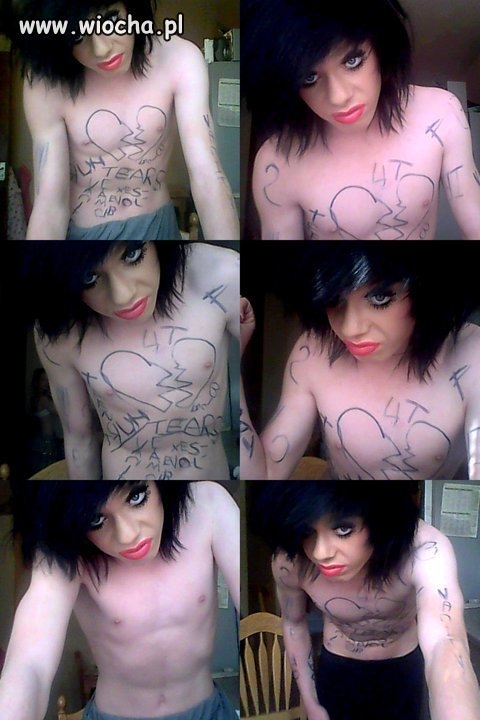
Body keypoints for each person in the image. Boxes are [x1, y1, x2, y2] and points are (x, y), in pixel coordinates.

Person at [0, 479, 240, 719]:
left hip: (209, 712)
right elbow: (30, 662)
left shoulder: (207, 504)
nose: (128, 535)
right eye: (96, 519)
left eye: (136, 497)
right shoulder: (64, 546)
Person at [241, 0, 480, 239]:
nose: (339, 97)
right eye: (309, 78)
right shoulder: (276, 163)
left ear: (380, 47)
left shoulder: (440, 112)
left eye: (352, 61)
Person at [240, 242, 480, 479]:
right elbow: (265, 473)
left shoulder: (471, 352)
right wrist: (233, 351)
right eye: (334, 300)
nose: (350, 328)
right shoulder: (313, 351)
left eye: (379, 298)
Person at [5, 0, 239, 240]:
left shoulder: (180, 58)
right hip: (85, 240)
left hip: (159, 229)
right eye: (77, 35)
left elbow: (207, 176)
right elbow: (50, 205)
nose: (101, 49)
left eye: (111, 20)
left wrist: (230, 255)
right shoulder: (46, 83)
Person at [249, 480, 480, 720]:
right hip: (337, 669)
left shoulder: (424, 549)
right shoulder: (290, 562)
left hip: (403, 668)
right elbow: (293, 623)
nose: (321, 553)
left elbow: (446, 641)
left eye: (343, 530)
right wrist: (310, 701)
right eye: (307, 532)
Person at [22, 240, 239, 480]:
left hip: (211, 483)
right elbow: (79, 439)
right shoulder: (59, 330)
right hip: (124, 489)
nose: (123, 295)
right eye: (89, 278)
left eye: (132, 255)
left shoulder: (219, 273)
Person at [27, 367, 65, 474]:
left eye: (48, 379)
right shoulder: (43, 399)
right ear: (37, 382)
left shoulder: (40, 397)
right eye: (43, 380)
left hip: (46, 438)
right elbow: (59, 411)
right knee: (46, 468)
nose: (46, 382)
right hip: (46, 439)